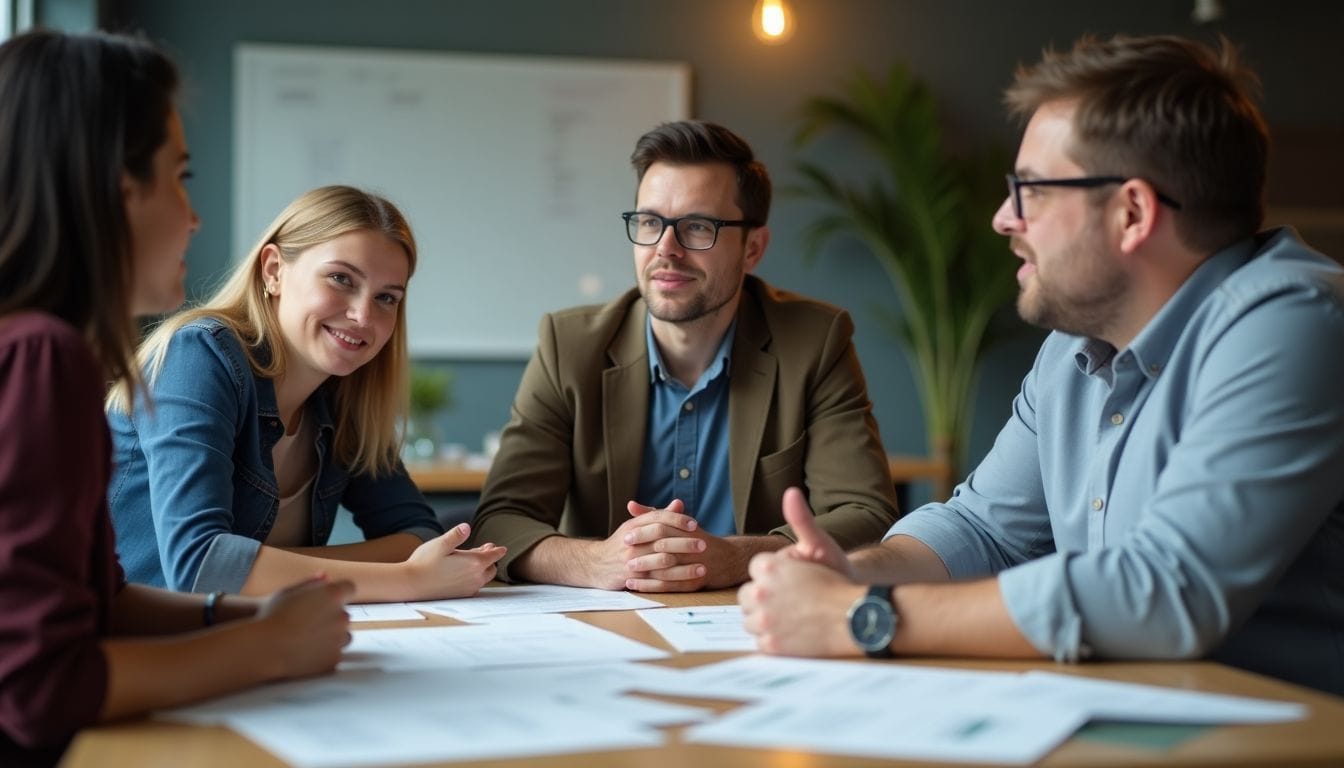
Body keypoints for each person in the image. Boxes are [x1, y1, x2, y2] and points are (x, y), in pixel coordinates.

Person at [738, 34, 1344, 696]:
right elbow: (981, 529)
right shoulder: (1077, 346)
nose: (1003, 218)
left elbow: (1166, 591)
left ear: (1132, 212)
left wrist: (864, 617)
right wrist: (854, 574)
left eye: (1030, 190)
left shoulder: (1297, 321)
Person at [0, 30, 353, 766]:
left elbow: (101, 603)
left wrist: (250, 617)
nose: (193, 216)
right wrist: (265, 649)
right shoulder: (41, 358)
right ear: (117, 189)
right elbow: (37, 689)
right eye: (179, 176)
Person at [471, 120, 899, 592]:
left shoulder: (814, 342)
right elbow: (501, 521)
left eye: (698, 226)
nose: (665, 250)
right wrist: (598, 562)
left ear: (753, 247)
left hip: (753, 619)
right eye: (650, 222)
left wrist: (736, 558)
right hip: (601, 626)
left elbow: (866, 516)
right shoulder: (568, 346)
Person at [106, 184, 506, 601]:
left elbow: (418, 535)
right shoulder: (199, 356)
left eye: (387, 297)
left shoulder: (345, 396)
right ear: (274, 270)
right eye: (341, 279)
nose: (363, 315)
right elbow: (201, 565)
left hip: (250, 635)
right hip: (137, 642)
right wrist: (409, 579)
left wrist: (262, 564)